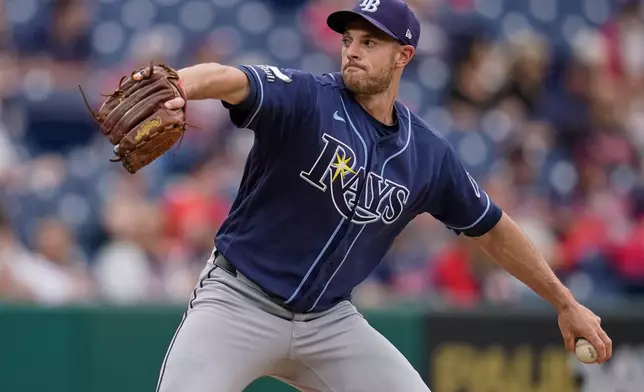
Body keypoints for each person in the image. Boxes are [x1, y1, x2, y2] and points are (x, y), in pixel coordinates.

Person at [157, 1, 613, 391]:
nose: (353, 51)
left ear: (404, 55)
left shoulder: (427, 154)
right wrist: (180, 85)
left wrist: (564, 302)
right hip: (238, 303)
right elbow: (230, 77)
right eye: (349, 40)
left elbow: (492, 230)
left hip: (326, 323)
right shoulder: (308, 97)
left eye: (370, 43)